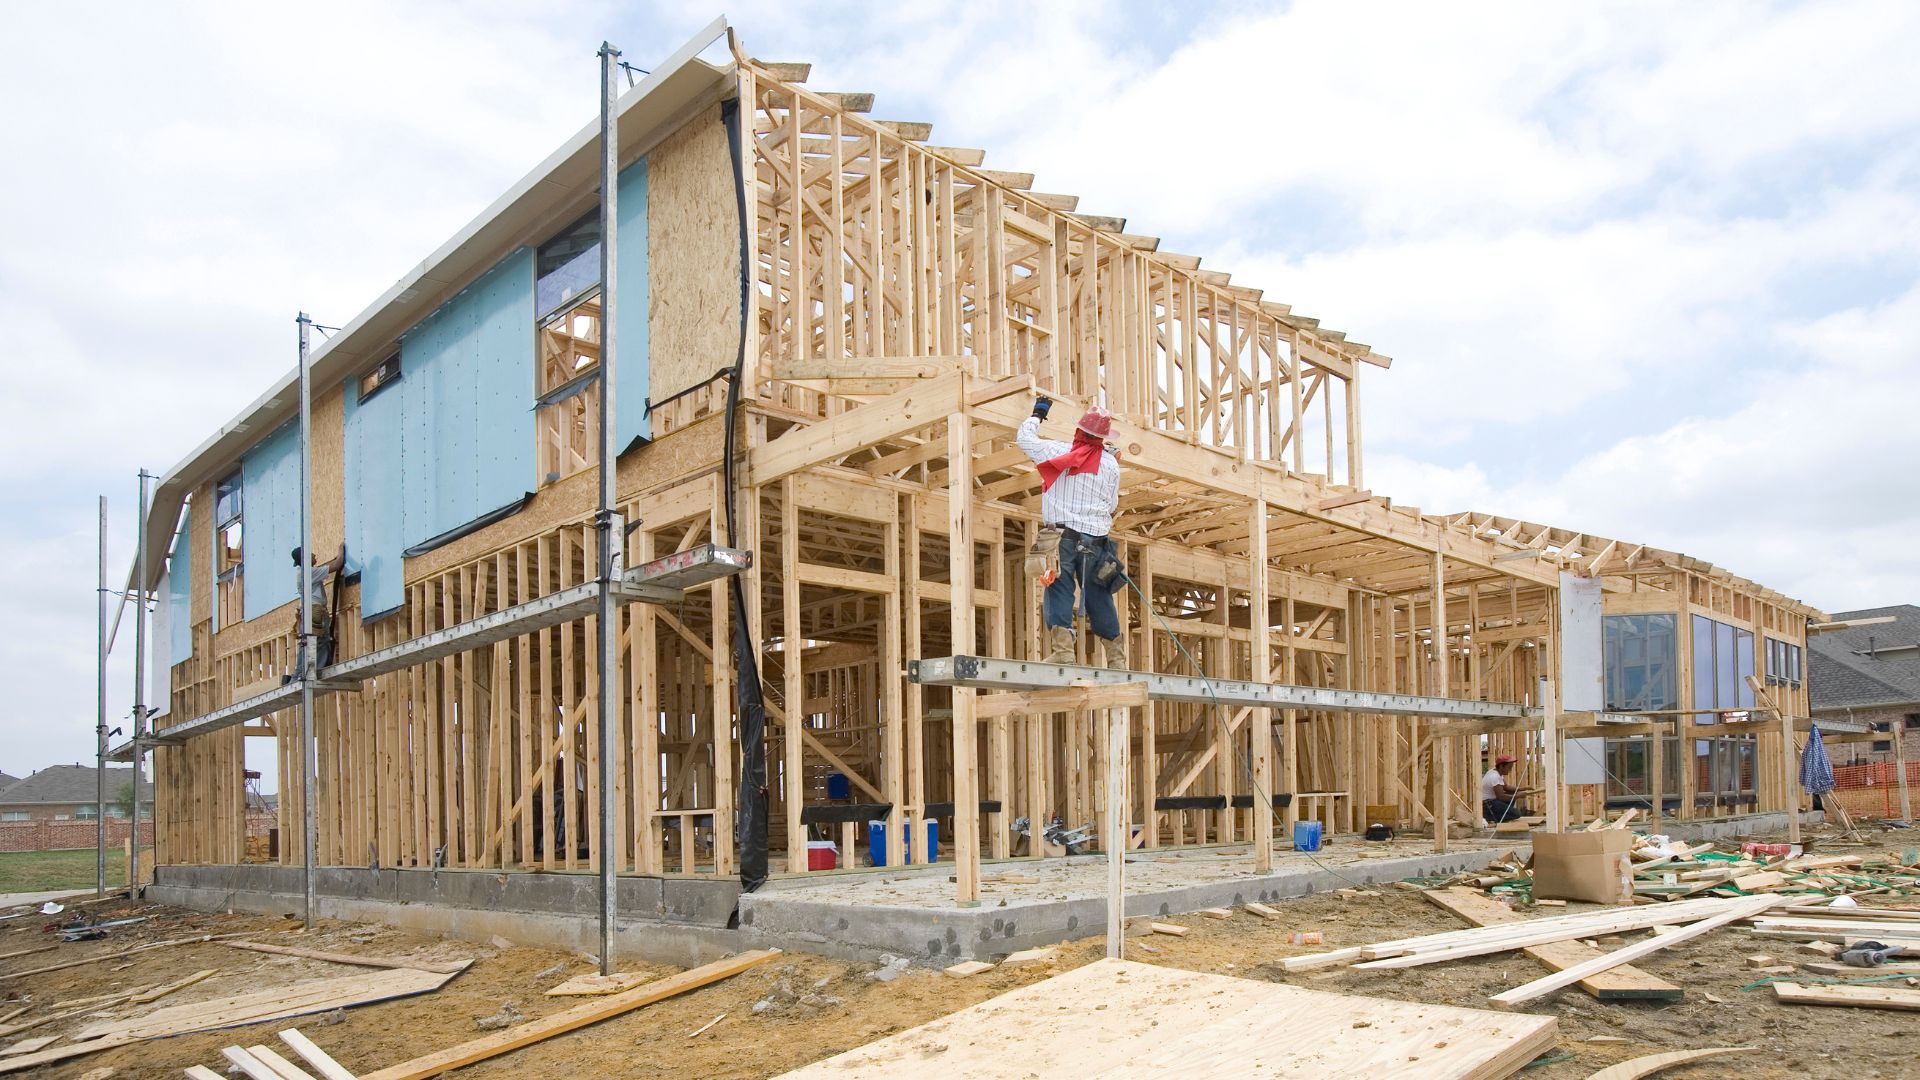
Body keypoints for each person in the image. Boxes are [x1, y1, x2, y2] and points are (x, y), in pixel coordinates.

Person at [1016, 396, 1125, 667]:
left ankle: (1064, 653)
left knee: (1059, 588)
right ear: (1102, 437)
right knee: (1100, 595)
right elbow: (1112, 504)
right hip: (1097, 542)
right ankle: (1116, 659)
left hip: (1063, 538)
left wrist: (1038, 414)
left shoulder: (1059, 452)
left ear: (1079, 431)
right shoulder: (1111, 464)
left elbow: (1025, 439)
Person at [291, 545, 347, 675]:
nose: (315, 555)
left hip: (310, 610)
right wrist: (341, 549)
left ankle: (301, 673)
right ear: (305, 558)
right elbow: (337, 565)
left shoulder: (305, 572)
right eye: (311, 554)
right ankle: (315, 670)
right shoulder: (308, 572)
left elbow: (328, 566)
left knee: (309, 641)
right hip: (315, 610)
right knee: (320, 640)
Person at [1480, 753, 1536, 824]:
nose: (1510, 770)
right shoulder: (1494, 777)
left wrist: (1524, 788)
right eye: (1509, 767)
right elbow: (1501, 797)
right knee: (1517, 814)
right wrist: (1518, 796)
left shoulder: (1497, 773)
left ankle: (1504, 813)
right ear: (1501, 766)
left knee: (1513, 794)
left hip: (1492, 802)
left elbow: (1506, 788)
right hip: (1488, 805)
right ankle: (1489, 817)